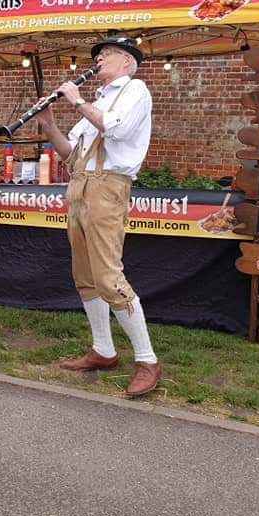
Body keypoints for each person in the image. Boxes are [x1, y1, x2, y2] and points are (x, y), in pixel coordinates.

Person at [35, 37, 161, 397]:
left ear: (126, 62)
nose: (99, 58)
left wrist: (76, 100)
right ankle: (104, 350)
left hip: (109, 188)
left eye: (106, 54)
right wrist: (48, 123)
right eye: (98, 55)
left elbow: (116, 129)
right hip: (81, 185)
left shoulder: (136, 89)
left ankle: (147, 359)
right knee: (85, 276)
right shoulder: (100, 98)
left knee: (108, 276)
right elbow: (71, 155)